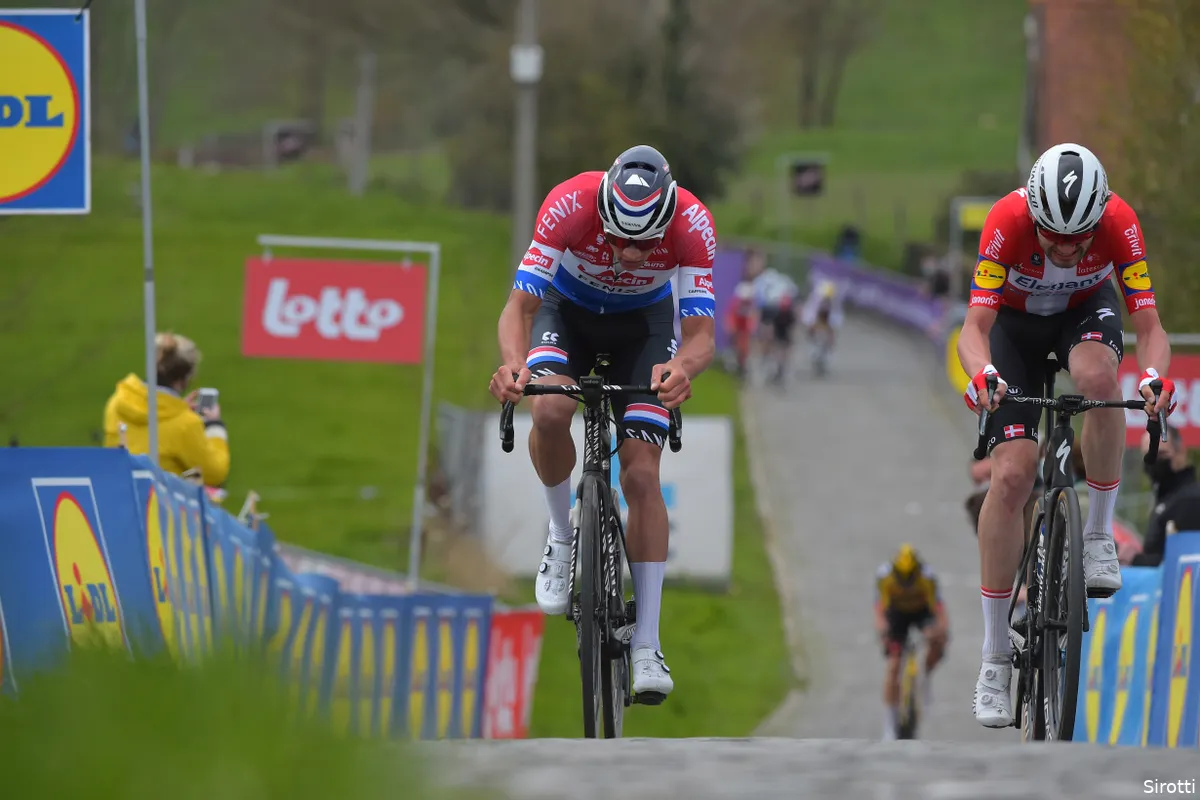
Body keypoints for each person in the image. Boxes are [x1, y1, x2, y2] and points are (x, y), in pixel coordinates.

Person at [956, 142, 1178, 728]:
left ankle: (1098, 535)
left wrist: (1155, 377)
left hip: (1084, 314)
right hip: (1015, 330)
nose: (1064, 248)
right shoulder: (1005, 223)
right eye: (1052, 236)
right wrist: (983, 374)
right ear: (1033, 214)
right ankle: (995, 657)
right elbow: (973, 329)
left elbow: (1151, 328)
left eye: (1078, 240)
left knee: (1100, 376)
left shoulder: (1119, 224)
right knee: (1011, 476)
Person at [488, 144, 717, 704]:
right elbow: (518, 308)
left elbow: (701, 337)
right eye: (617, 240)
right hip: (566, 316)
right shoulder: (567, 203)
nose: (629, 255)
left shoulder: (692, 222)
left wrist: (681, 369)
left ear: (665, 219)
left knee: (641, 475)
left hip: (645, 326)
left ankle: (646, 643)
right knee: (549, 408)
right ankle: (563, 538)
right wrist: (515, 365)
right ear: (603, 211)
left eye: (644, 245)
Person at [103, 332, 230, 487]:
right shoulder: (185, 424)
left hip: (119, 495)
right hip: (157, 506)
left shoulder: (116, 402)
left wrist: (177, 407)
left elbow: (151, 422)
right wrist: (215, 426)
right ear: (186, 378)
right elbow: (214, 474)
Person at [874, 544, 949, 740]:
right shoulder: (885, 577)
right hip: (897, 615)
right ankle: (889, 723)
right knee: (893, 665)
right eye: (902, 578)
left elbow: (939, 609)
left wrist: (940, 633)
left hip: (921, 612)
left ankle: (926, 677)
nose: (906, 584)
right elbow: (880, 609)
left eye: (910, 579)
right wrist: (883, 630)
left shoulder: (927, 577)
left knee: (937, 640)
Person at [1134, 424, 1200, 567]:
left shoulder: (1191, 500)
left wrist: (1135, 559)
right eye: (1148, 457)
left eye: (1162, 454)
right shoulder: (1165, 499)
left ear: (1181, 452)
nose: (1155, 462)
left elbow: (1183, 560)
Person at [800, 279, 845, 368]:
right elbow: (811, 313)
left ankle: (829, 351)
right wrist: (811, 324)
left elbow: (837, 314)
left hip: (827, 318)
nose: (826, 299)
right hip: (817, 317)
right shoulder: (815, 299)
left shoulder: (834, 300)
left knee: (831, 333)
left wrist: (833, 326)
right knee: (812, 330)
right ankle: (812, 346)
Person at [724, 279, 758, 378]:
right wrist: (731, 326)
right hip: (737, 328)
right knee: (734, 345)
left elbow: (753, 317)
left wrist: (751, 327)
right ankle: (731, 365)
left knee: (744, 348)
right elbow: (730, 315)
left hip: (744, 329)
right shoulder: (736, 303)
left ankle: (742, 366)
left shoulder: (750, 305)